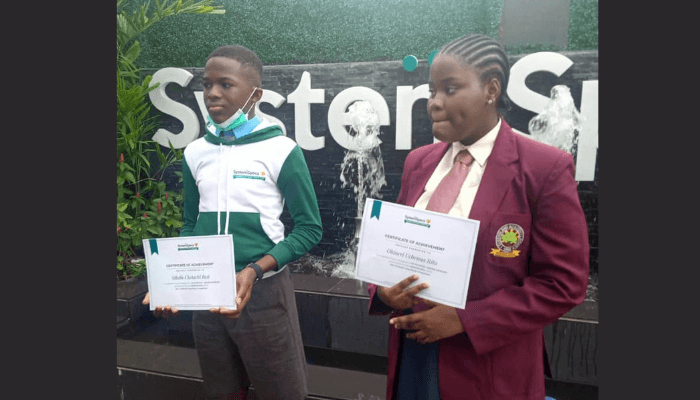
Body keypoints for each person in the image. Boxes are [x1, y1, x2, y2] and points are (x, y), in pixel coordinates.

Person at [367, 34, 590, 400]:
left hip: (486, 367)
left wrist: (465, 320)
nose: (434, 103)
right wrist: (384, 291)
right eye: (432, 91)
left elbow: (563, 283)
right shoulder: (418, 162)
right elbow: (397, 246)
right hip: (413, 355)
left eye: (450, 89)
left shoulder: (543, 168)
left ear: (491, 89)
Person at [143, 44, 323, 400]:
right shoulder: (196, 152)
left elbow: (309, 228)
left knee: (282, 391)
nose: (212, 93)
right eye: (207, 84)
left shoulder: (281, 150)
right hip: (208, 294)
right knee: (223, 391)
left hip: (264, 294)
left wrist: (255, 269)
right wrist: (172, 284)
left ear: (255, 94)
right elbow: (191, 224)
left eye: (225, 84)